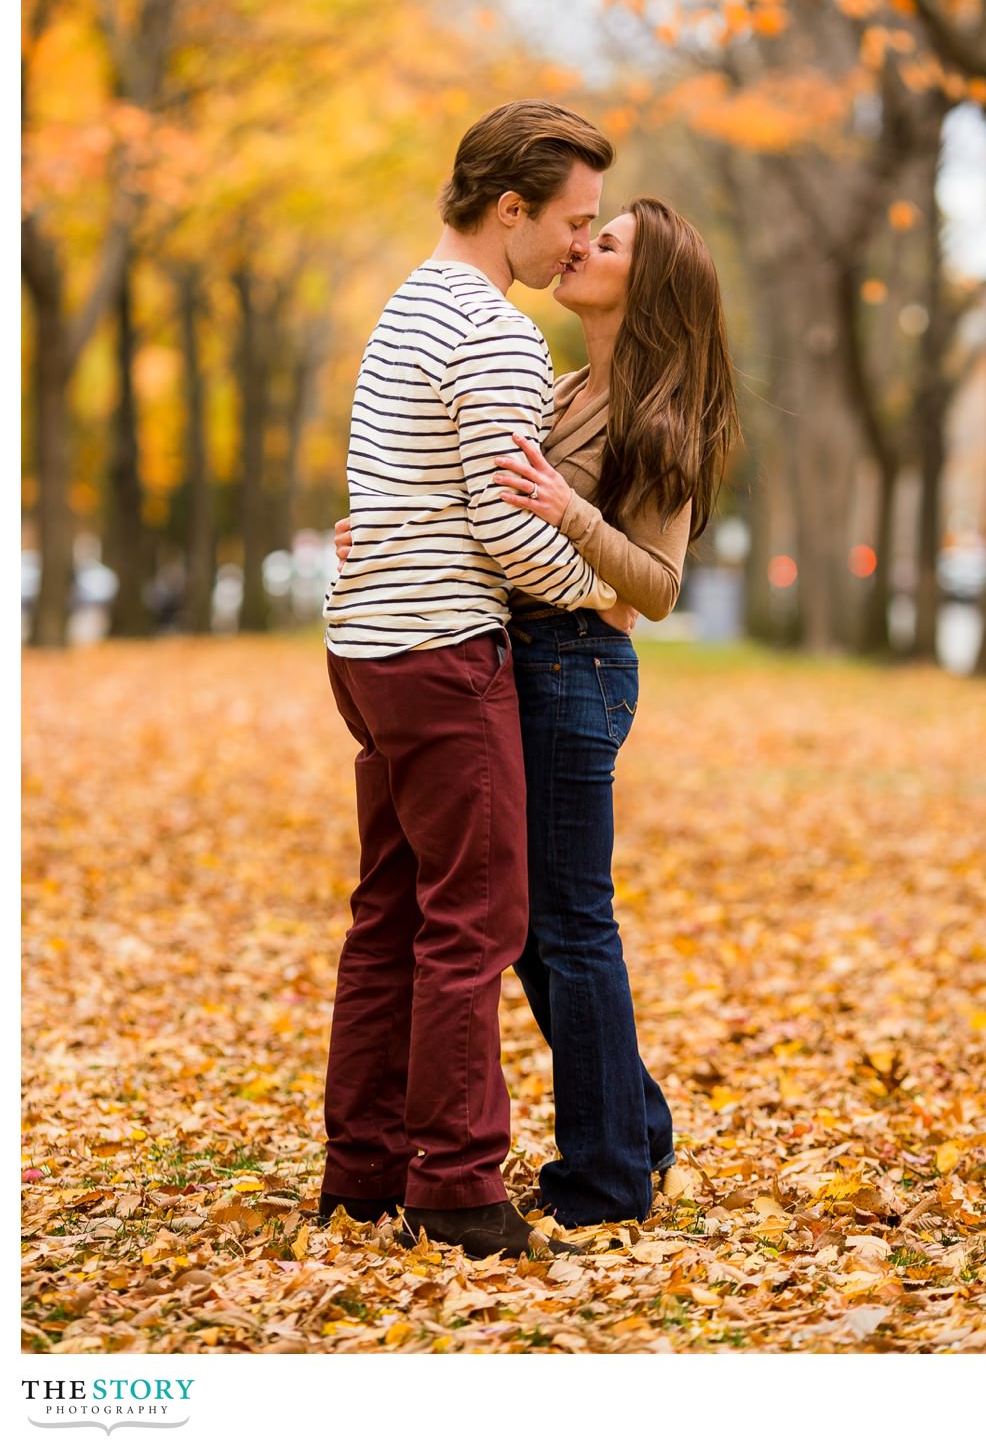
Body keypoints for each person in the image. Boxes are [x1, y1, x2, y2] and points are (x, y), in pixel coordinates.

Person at [334, 196, 739, 1229]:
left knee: (566, 925)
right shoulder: (560, 390)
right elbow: (480, 506)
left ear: (643, 286)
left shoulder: (662, 413)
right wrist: (387, 535)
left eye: (605, 242)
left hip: (579, 670)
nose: (579, 246)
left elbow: (656, 584)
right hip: (515, 656)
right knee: (524, 929)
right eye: (585, 228)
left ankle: (606, 1176)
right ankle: (635, 1125)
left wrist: (573, 513)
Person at [318, 99, 621, 1261]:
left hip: (370, 646)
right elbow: (509, 526)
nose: (579, 248)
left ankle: (363, 1170)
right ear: (510, 209)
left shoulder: (409, 303)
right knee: (475, 919)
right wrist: (603, 586)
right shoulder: (494, 333)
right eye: (572, 221)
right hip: (443, 653)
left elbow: (413, 488)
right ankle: (452, 1182)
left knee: (390, 913)